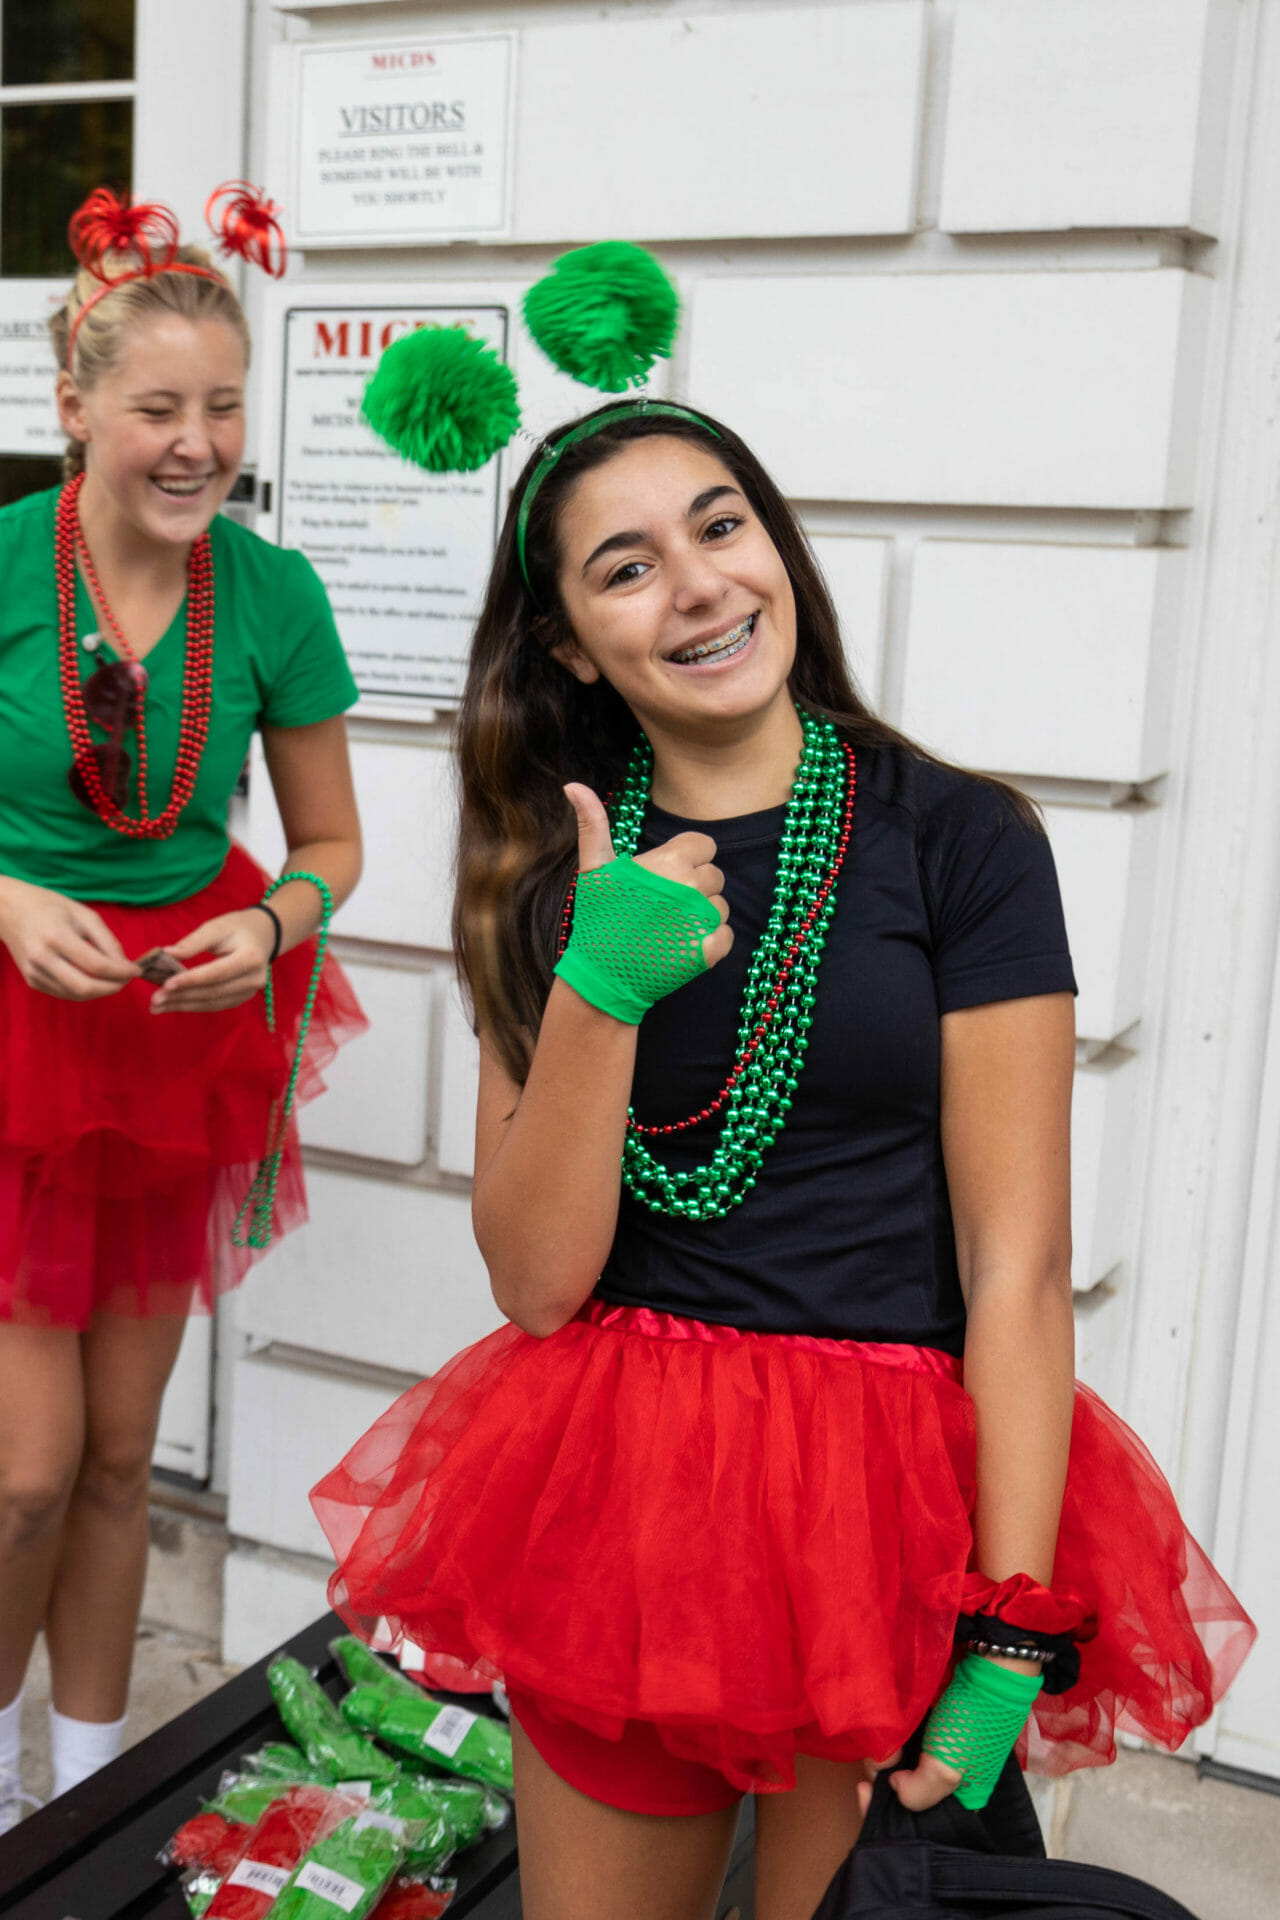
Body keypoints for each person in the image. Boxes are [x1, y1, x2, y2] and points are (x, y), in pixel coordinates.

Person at [312, 400, 1252, 1920]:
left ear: (775, 546)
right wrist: (601, 986)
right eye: (626, 568)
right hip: (624, 1506)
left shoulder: (961, 839)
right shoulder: (546, 880)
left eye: (720, 525)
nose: (697, 585)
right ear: (566, 645)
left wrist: (1009, 1630)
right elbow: (537, 1284)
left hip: (883, 1536)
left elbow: (1018, 1268)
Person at [0, 188, 365, 1828]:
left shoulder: (272, 594)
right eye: (160, 407)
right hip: (14, 1026)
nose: (198, 442)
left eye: (224, 405)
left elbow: (333, 846)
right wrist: (4, 898)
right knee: (21, 1471)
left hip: (171, 1030)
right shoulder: (4, 566)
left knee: (117, 1460)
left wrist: (274, 924)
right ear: (73, 407)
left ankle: (82, 1791)